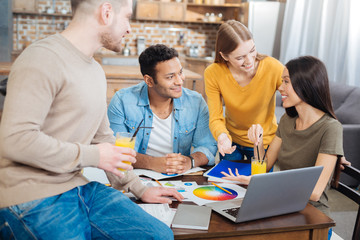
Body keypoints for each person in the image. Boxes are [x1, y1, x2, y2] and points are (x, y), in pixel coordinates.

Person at [0, 1, 183, 239]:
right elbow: (15, 140)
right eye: (126, 17)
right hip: (31, 195)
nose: (129, 29)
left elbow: (103, 138)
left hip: (79, 187)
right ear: (106, 13)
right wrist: (95, 156)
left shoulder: (95, 71)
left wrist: (139, 188)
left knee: (160, 236)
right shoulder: (42, 57)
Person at [222, 56, 344, 239]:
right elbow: (265, 164)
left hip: (312, 216)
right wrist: (258, 143)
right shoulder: (287, 121)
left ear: (306, 84)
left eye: (286, 81)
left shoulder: (330, 128)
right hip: (281, 206)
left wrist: (260, 183)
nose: (280, 88)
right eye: (282, 81)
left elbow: (316, 192)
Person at [108, 44, 217, 174]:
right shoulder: (122, 101)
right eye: (170, 77)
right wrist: (152, 163)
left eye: (180, 73)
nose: (180, 81)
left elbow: (208, 146)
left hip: (179, 176)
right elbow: (115, 152)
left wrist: (190, 161)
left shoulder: (196, 102)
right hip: (135, 177)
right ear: (149, 81)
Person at [204, 20, 284, 163]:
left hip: (263, 142)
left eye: (252, 50)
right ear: (224, 56)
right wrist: (222, 136)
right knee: (228, 184)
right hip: (231, 142)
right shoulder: (213, 73)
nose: (249, 61)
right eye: (240, 57)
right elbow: (215, 117)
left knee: (260, 185)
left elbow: (296, 98)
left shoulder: (273, 67)